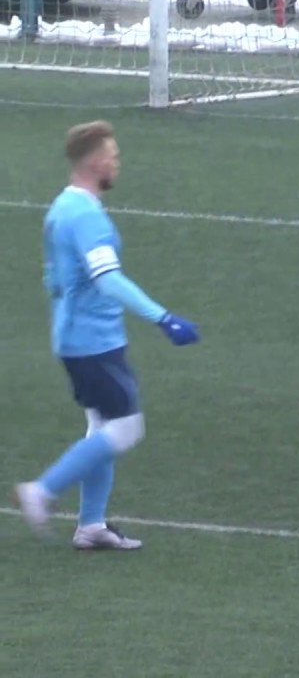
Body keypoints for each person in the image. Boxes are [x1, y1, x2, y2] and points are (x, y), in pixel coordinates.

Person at [13, 120, 201, 550]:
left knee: (101, 428)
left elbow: (52, 278)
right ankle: (41, 491)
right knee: (126, 428)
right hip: (91, 342)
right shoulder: (85, 217)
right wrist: (163, 317)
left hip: (77, 335)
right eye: (113, 157)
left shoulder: (61, 207)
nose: (118, 164)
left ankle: (90, 525)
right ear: (95, 162)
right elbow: (108, 278)